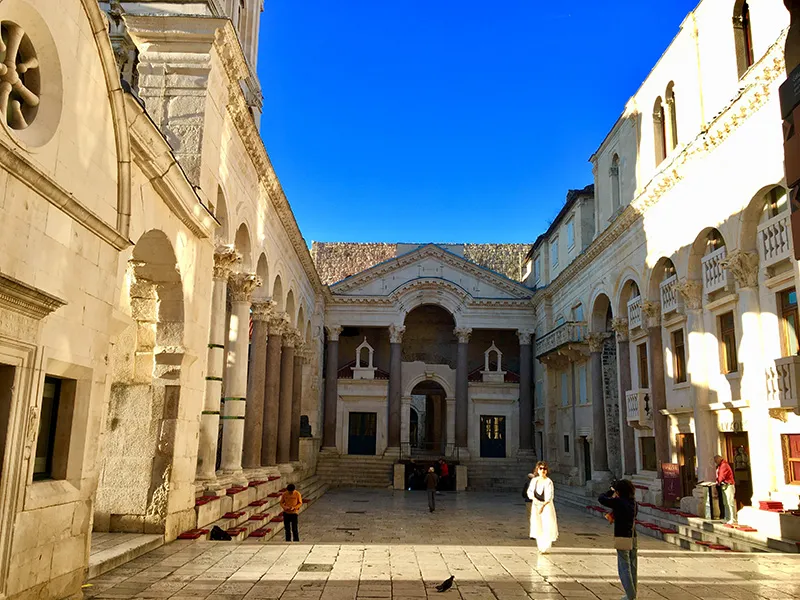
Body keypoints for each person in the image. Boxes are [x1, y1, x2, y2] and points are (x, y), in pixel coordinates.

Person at [599, 479, 638, 600]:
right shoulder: (633, 502)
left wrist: (611, 490)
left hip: (622, 535)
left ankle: (631, 595)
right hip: (633, 535)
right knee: (633, 565)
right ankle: (632, 593)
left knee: (624, 566)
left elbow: (601, 498)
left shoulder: (619, 502)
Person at [527, 461, 558, 553]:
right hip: (536, 505)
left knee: (547, 525)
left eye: (544, 469)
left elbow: (549, 496)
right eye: (541, 468)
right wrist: (535, 501)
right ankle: (540, 547)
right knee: (538, 524)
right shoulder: (534, 480)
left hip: (546, 506)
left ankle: (546, 547)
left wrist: (543, 506)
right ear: (537, 470)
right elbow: (530, 492)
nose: (543, 470)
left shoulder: (549, 482)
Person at [715, 454, 737, 524]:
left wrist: (717, 481)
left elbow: (722, 476)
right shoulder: (720, 466)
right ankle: (727, 517)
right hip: (724, 486)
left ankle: (733, 518)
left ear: (719, 459)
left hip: (729, 485)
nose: (715, 462)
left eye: (716, 461)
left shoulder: (724, 465)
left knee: (730, 502)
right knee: (725, 502)